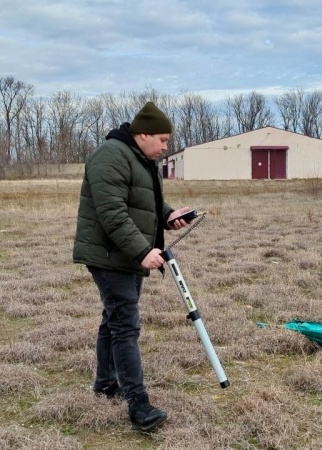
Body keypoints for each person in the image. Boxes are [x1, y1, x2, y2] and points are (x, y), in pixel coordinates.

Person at [73, 102, 193, 432]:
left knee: (113, 319)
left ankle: (105, 383)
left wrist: (168, 216)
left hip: (125, 253)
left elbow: (143, 201)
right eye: (163, 140)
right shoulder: (110, 155)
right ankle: (138, 405)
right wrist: (143, 251)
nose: (166, 146)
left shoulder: (141, 158)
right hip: (110, 254)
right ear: (143, 135)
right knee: (126, 324)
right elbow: (112, 212)